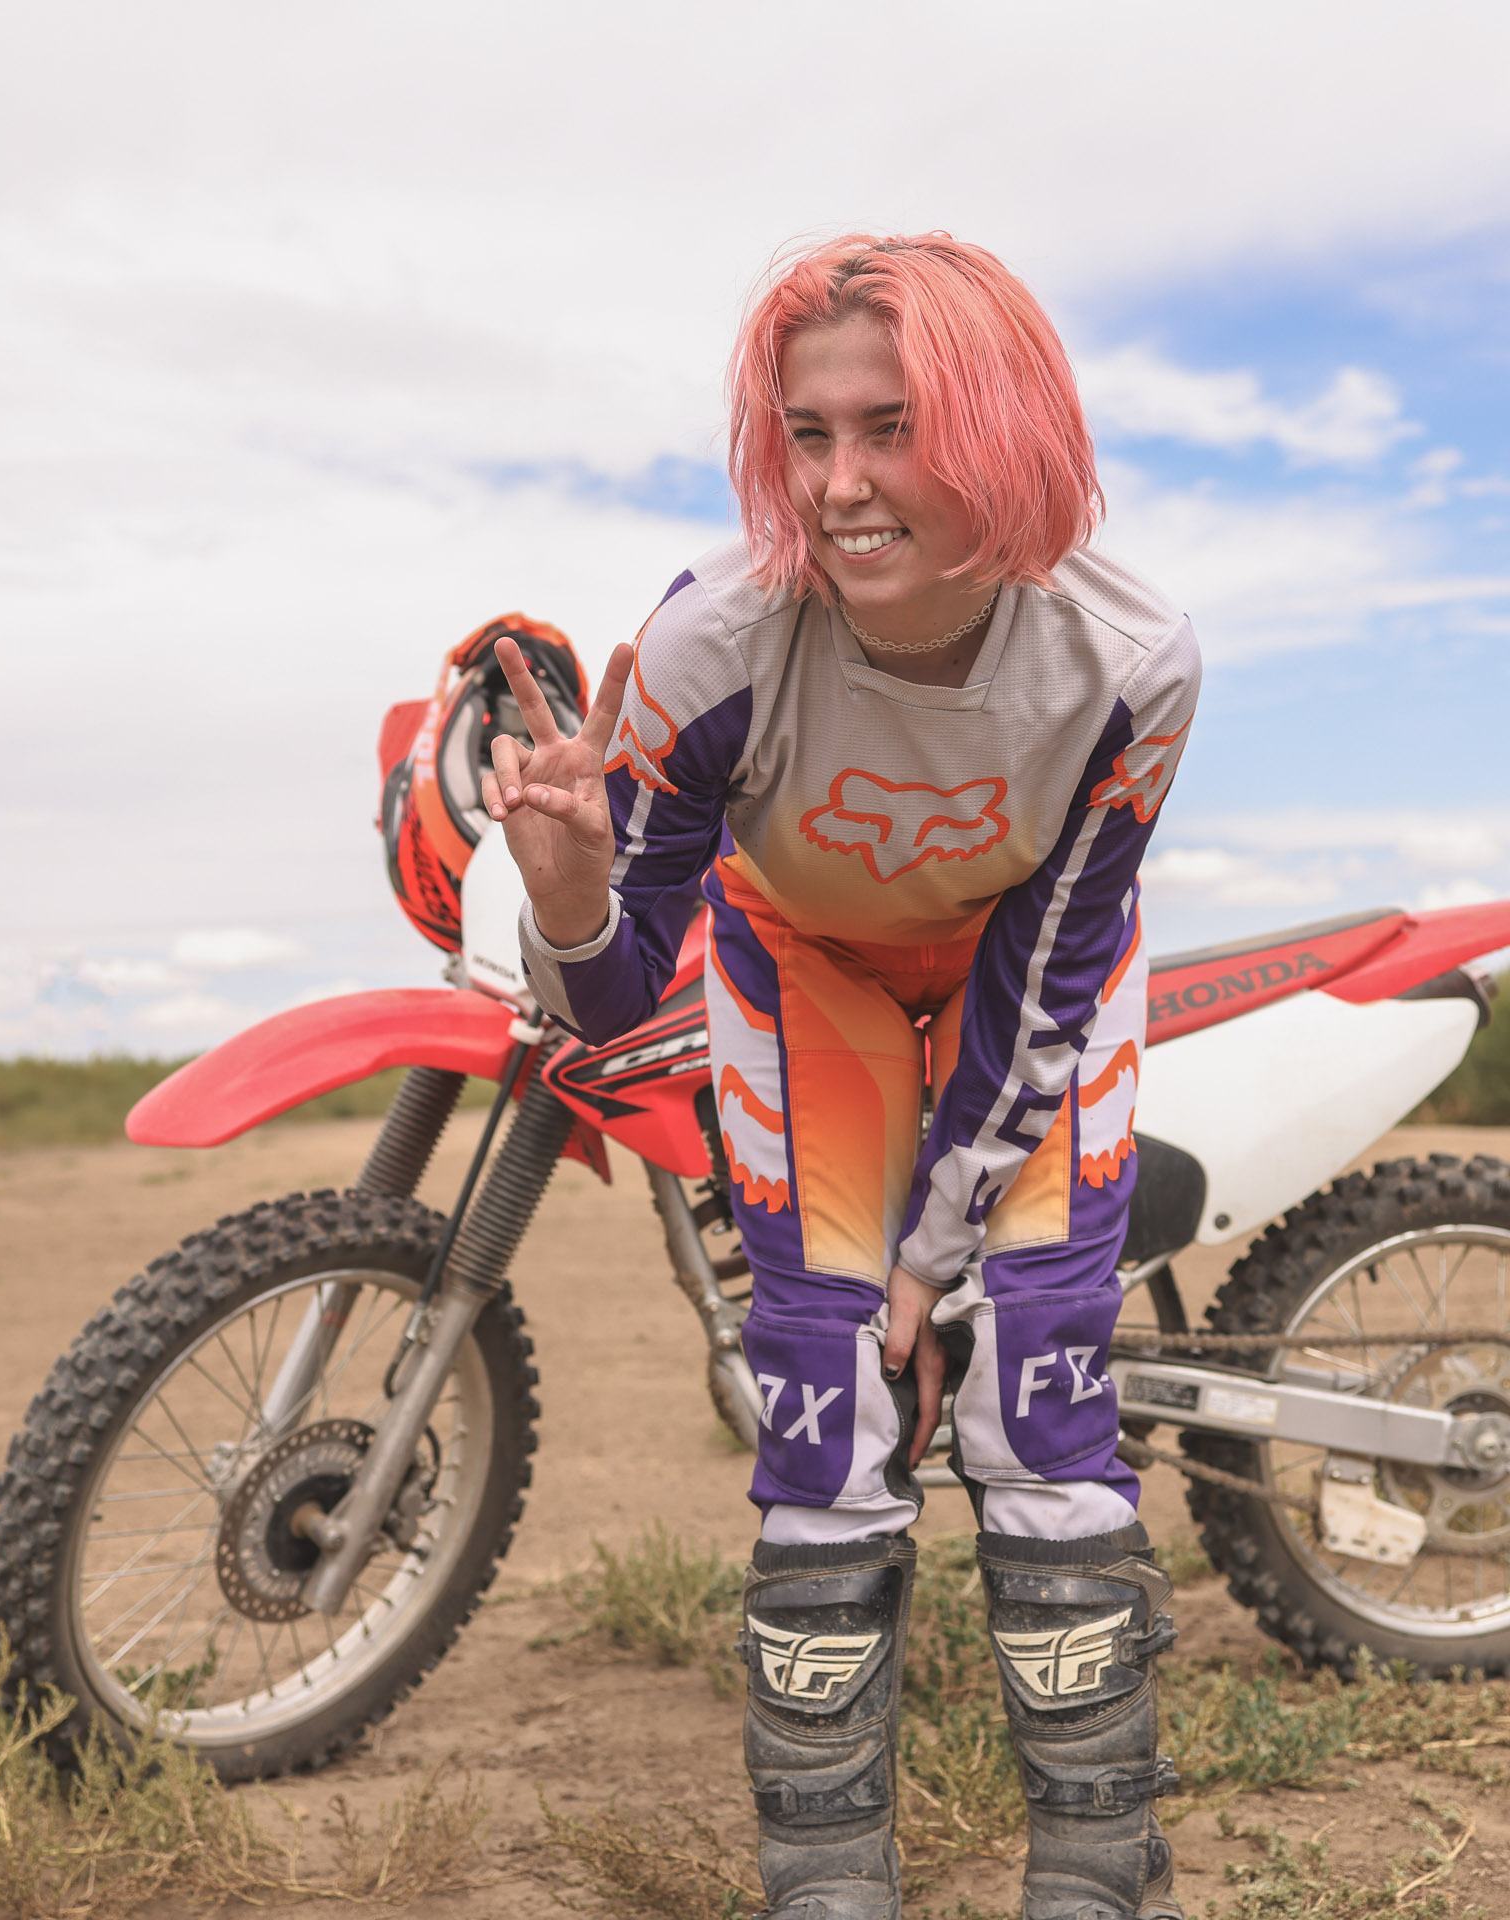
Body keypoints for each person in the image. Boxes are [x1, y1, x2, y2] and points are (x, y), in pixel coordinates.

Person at [483, 233, 1199, 1920]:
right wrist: (570, 890)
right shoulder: (711, 646)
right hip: (807, 971)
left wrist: (931, 1259)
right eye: (808, 435)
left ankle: (1098, 1874)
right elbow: (613, 993)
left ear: (1005, 431)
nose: (839, 484)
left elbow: (1048, 976)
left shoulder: (1131, 657)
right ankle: (825, 1884)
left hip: (1025, 986)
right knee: (819, 1398)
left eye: (893, 429)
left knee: (1041, 1396)